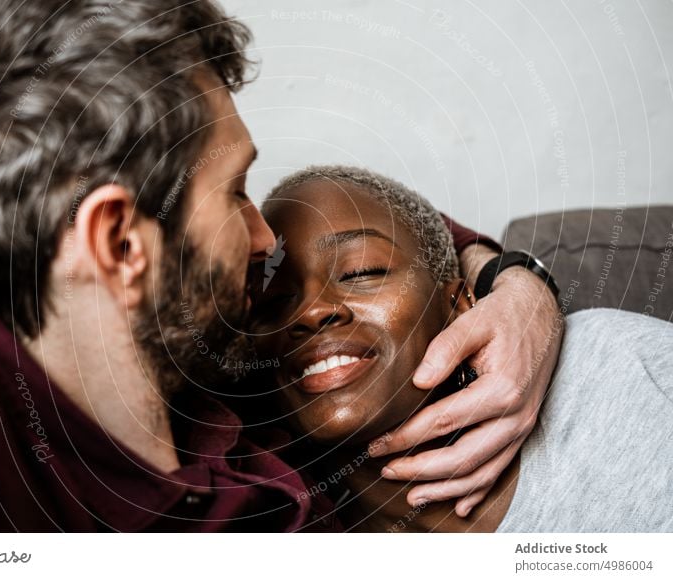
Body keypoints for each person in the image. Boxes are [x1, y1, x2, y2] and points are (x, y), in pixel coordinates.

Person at [0, 0, 558, 530]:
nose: (263, 238)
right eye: (235, 192)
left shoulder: (207, 349)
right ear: (117, 244)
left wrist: (513, 281)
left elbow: (390, 237)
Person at [249, 165, 673, 532]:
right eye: (272, 301)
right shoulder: (283, 522)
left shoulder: (620, 365)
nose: (311, 311)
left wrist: (517, 276)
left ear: (458, 303)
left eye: (361, 271)